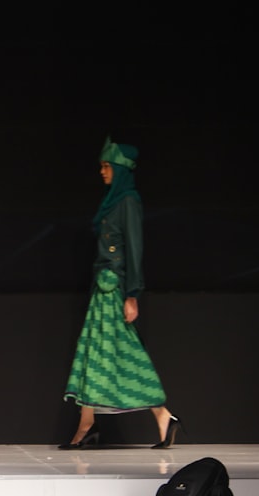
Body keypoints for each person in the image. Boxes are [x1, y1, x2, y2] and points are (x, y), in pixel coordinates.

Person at [59, 137, 182, 450]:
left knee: (126, 352)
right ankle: (87, 423)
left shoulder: (128, 200)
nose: (102, 172)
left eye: (106, 166)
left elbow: (135, 248)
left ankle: (162, 413)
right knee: (92, 352)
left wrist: (132, 293)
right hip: (102, 288)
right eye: (101, 166)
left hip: (116, 288)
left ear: (119, 168)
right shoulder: (112, 201)